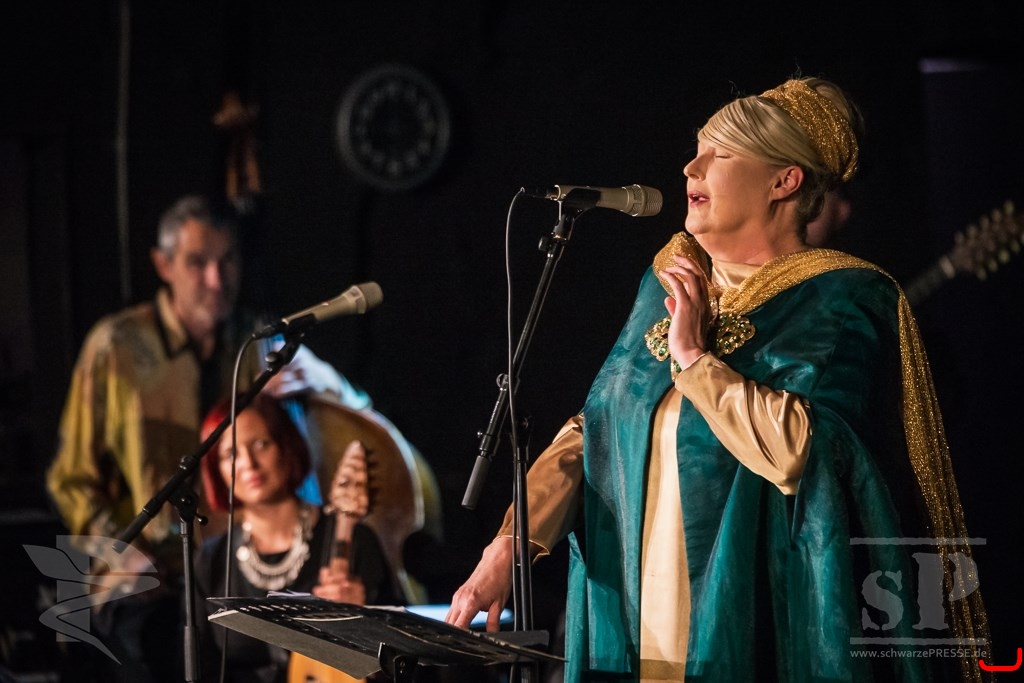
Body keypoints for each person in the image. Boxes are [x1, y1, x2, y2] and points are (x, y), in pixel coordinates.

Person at [446, 77, 992, 682]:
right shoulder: (668, 282)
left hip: (757, 632)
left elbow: (804, 454)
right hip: (633, 630)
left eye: (721, 153)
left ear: (785, 181)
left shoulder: (844, 297)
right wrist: (513, 542)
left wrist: (693, 359)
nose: (691, 167)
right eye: (696, 150)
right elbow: (597, 429)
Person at [44, 194, 369, 682]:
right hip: (145, 576)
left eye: (227, 261)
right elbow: (71, 479)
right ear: (164, 265)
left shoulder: (256, 340)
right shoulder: (116, 347)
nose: (217, 280)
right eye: (198, 263)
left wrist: (327, 384)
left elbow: (357, 410)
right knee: (165, 649)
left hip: (229, 568)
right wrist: (120, 551)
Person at [195, 393, 401, 683]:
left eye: (261, 444)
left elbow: (404, 663)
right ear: (216, 470)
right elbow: (196, 666)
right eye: (231, 455)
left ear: (287, 446)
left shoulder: (355, 541)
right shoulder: (210, 560)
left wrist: (367, 619)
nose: (249, 463)